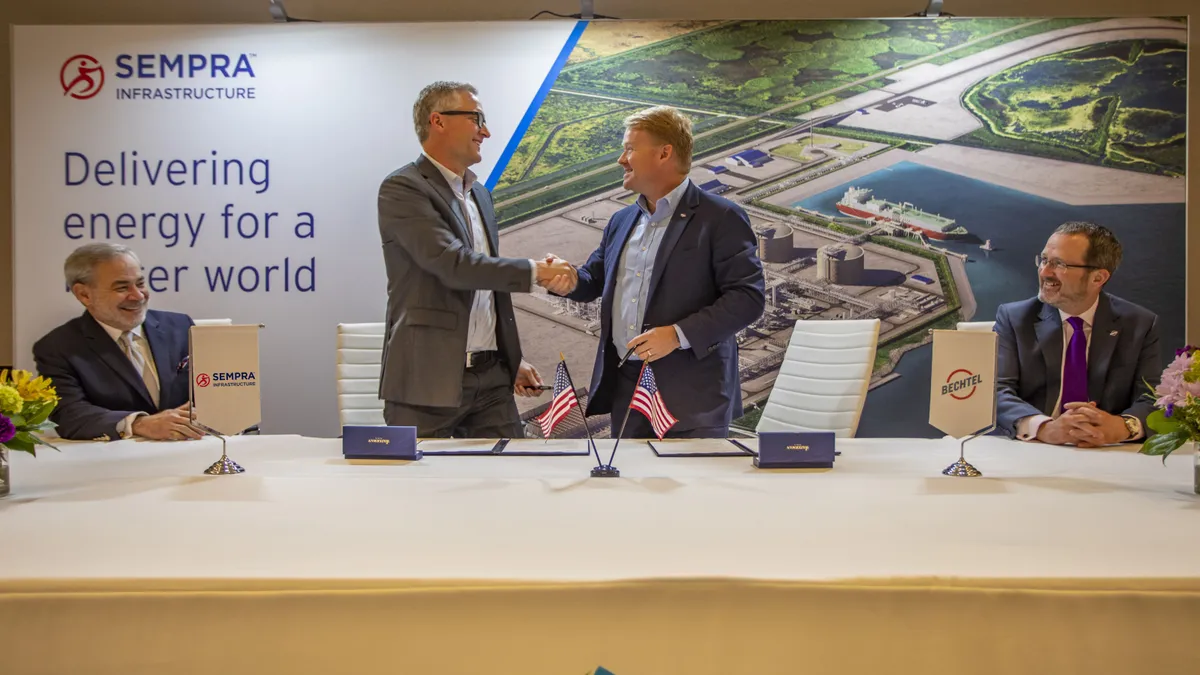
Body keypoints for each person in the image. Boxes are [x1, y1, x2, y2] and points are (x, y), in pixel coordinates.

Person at [544, 106, 765, 438]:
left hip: (692, 397)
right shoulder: (622, 221)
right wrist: (566, 280)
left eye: (630, 148)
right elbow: (593, 280)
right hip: (627, 389)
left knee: (688, 489)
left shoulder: (720, 217)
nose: (621, 159)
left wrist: (676, 335)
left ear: (664, 153)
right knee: (630, 488)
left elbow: (748, 298)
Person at [376, 80, 574, 437]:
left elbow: (487, 294)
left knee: (508, 483)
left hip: (492, 382)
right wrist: (537, 273)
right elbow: (455, 266)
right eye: (476, 119)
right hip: (426, 384)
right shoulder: (404, 189)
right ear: (438, 121)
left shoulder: (479, 194)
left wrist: (510, 360)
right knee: (423, 490)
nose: (486, 131)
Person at [994, 221, 1161, 446]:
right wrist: (1044, 427)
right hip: (1034, 448)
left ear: (1098, 278)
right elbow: (997, 390)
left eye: (1059, 264)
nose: (1045, 272)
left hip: (1107, 453)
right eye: (1043, 260)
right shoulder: (1014, 318)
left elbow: (1152, 397)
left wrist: (1122, 427)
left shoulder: (1140, 324)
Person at [33, 243, 201, 442]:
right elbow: (69, 414)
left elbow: (210, 388)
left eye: (140, 283)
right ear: (84, 294)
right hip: (113, 464)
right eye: (122, 287)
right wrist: (140, 424)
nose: (138, 296)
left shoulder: (181, 326)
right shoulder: (57, 348)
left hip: (190, 453)